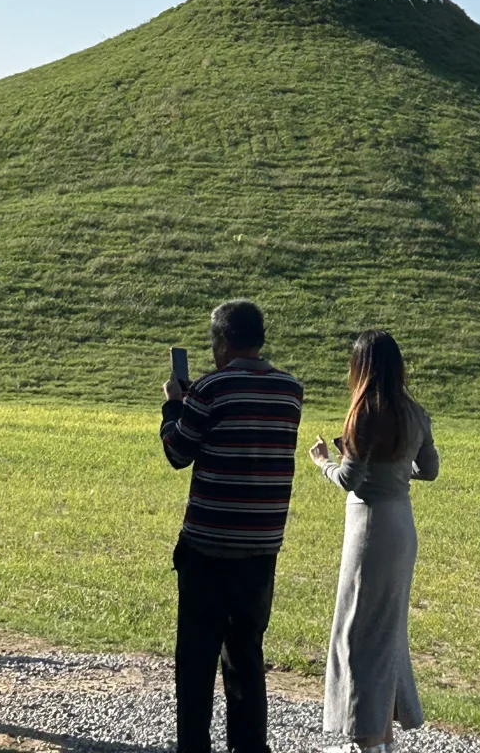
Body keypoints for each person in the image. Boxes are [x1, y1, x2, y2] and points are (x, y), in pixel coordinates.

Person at [161, 301, 303, 753]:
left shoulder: (211, 388)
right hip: (262, 547)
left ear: (222, 342)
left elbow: (177, 452)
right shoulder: (290, 390)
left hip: (207, 545)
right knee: (246, 655)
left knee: (197, 658)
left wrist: (173, 406)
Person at [309, 330, 439, 753]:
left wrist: (322, 461)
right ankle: (382, 737)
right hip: (403, 523)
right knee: (387, 631)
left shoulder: (365, 413)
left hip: (369, 527)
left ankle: (366, 738)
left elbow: (351, 480)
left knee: (359, 634)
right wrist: (399, 471)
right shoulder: (415, 412)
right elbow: (430, 469)